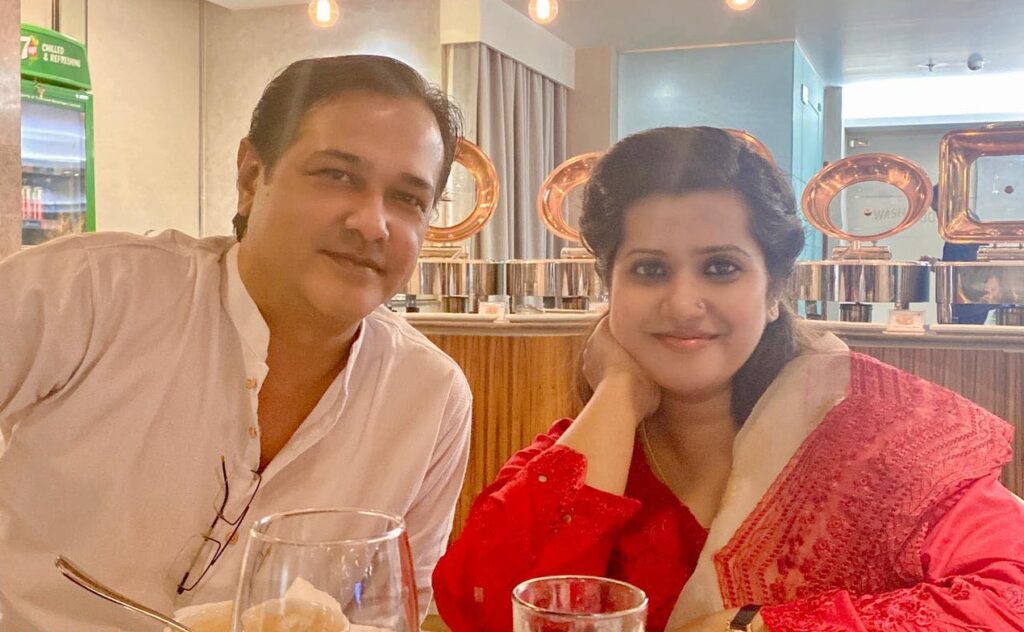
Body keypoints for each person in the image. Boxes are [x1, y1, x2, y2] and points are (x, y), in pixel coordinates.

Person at [432, 127, 1024, 632]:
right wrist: (617, 393)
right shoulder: (584, 454)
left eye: (721, 267)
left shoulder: (878, 437)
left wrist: (758, 626)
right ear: (609, 287)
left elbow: (1011, 596)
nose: (683, 304)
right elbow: (485, 612)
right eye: (649, 270)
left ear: (773, 290)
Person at [0, 55, 472, 631]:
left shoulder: (430, 396)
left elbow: (389, 614)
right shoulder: (89, 293)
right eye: (337, 175)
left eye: (408, 199)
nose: (373, 223)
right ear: (251, 176)